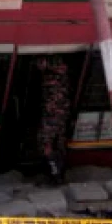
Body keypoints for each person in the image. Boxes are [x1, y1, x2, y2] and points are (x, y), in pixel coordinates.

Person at [35, 55, 73, 185]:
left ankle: (55, 175)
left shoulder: (57, 79)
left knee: (46, 145)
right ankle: (57, 175)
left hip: (53, 117)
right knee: (58, 145)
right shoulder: (59, 79)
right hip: (59, 117)